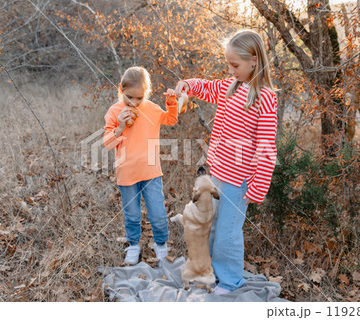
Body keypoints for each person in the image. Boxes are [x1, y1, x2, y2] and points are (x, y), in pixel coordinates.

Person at [175, 30, 278, 295]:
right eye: (228, 64)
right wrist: (187, 84)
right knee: (211, 226)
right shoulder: (230, 87)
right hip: (218, 175)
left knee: (227, 235)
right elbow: (206, 87)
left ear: (254, 60)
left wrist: (257, 186)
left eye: (236, 65)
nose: (231, 70)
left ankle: (231, 281)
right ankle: (210, 273)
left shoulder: (264, 96)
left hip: (240, 181)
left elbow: (266, 146)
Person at [104, 66, 178, 265]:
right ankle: (134, 245)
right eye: (129, 97)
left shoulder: (152, 109)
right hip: (127, 172)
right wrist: (119, 127)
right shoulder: (114, 112)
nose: (134, 103)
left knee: (158, 212)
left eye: (139, 98)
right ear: (120, 89)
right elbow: (108, 143)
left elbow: (171, 119)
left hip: (151, 170)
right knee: (133, 214)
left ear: (147, 93)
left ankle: (161, 244)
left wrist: (171, 102)